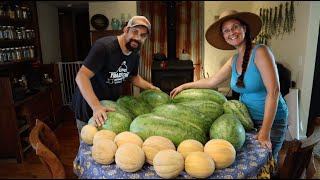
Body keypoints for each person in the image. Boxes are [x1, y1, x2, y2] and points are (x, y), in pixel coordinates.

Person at [170, 10, 288, 165]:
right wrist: (185, 85)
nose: (231, 32)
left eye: (235, 27)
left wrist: (265, 132)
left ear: (244, 29)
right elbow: (212, 81)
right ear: (224, 36)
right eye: (226, 30)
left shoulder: (261, 51)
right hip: (247, 120)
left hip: (271, 121)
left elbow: (274, 91)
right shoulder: (234, 59)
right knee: (247, 161)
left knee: (268, 164)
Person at [71, 15, 159, 136]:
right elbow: (81, 76)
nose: (138, 38)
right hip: (89, 107)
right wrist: (96, 106)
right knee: (90, 147)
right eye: (135, 32)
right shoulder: (104, 47)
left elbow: (132, 77)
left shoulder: (134, 53)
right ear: (126, 30)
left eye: (143, 35)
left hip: (110, 109)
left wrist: (150, 87)